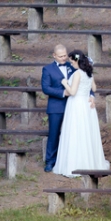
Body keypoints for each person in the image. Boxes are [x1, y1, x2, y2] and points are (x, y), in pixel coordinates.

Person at [53, 49, 110, 178]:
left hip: (77, 105)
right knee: (86, 132)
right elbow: (94, 88)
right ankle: (90, 162)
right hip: (86, 105)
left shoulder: (78, 73)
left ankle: (76, 164)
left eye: (72, 61)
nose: (71, 63)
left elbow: (72, 92)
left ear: (77, 60)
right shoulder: (88, 72)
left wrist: (64, 83)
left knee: (76, 132)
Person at [41, 43, 75, 172]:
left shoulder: (72, 65)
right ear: (54, 56)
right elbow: (46, 88)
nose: (63, 58)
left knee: (73, 133)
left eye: (65, 55)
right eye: (60, 56)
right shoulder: (47, 69)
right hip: (56, 106)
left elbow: (84, 78)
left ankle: (70, 160)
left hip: (73, 105)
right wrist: (62, 93)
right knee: (54, 134)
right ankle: (50, 161)